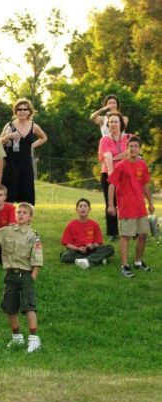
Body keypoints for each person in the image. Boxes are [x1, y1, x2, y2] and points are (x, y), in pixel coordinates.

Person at [0, 203, 43, 353]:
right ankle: (17, 338)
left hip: (25, 275)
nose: (21, 215)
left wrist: (32, 277)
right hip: (10, 274)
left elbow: (37, 259)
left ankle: (34, 339)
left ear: (30, 217)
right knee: (10, 307)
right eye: (19, 212)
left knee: (29, 306)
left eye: (25, 213)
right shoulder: (7, 231)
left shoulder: (33, 236)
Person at [108, 136, 154, 278]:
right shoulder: (121, 165)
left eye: (135, 146)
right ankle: (124, 266)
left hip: (140, 206)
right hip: (126, 206)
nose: (133, 149)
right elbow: (112, 185)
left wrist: (150, 203)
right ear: (127, 148)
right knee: (126, 236)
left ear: (139, 148)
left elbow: (145, 186)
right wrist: (111, 205)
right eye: (131, 146)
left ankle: (138, 262)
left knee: (143, 235)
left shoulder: (143, 165)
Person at [0, 98, 47, 205]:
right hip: (11, 164)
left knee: (27, 195)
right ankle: (8, 220)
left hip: (26, 165)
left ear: (29, 111)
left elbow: (44, 138)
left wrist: (33, 146)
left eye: (25, 109)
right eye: (19, 109)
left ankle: (25, 220)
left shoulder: (33, 126)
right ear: (15, 111)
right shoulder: (9, 125)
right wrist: (9, 136)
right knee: (9, 195)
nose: (22, 112)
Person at [98, 112, 131, 241]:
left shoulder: (129, 137)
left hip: (126, 174)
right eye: (111, 122)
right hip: (108, 173)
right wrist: (112, 172)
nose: (113, 124)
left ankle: (129, 229)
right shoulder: (104, 139)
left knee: (127, 201)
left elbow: (131, 152)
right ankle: (113, 232)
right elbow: (106, 156)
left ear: (121, 124)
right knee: (110, 203)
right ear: (108, 124)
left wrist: (116, 158)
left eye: (116, 121)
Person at [60, 198, 114, 269]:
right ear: (76, 210)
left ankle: (86, 261)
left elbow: (98, 242)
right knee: (65, 256)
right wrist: (78, 248)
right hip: (77, 251)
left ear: (89, 209)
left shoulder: (94, 224)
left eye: (85, 206)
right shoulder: (71, 225)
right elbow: (67, 244)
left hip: (91, 250)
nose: (83, 208)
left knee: (110, 248)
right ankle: (97, 259)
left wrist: (92, 246)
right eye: (80, 206)